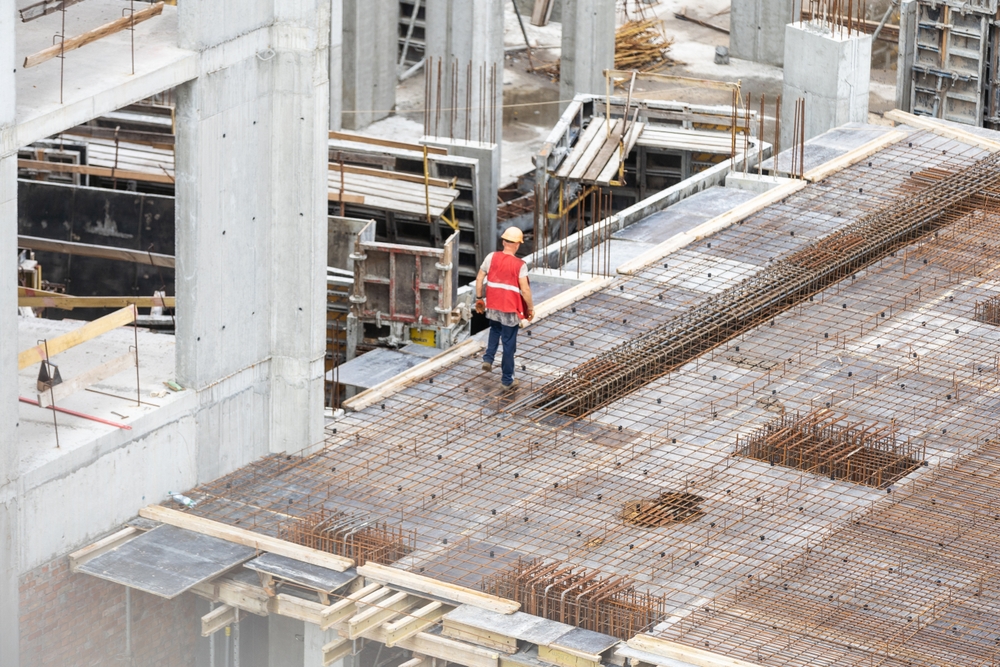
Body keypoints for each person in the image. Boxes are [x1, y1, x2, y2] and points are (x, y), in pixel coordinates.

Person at [475, 227, 535, 390]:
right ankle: (507, 379)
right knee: (509, 344)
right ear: (517, 245)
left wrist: (479, 299)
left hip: (493, 306)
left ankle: (488, 358)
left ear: (504, 242)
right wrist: (530, 309)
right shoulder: (520, 265)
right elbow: (525, 290)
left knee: (495, 330)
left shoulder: (491, 257)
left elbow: (479, 278)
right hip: (509, 309)